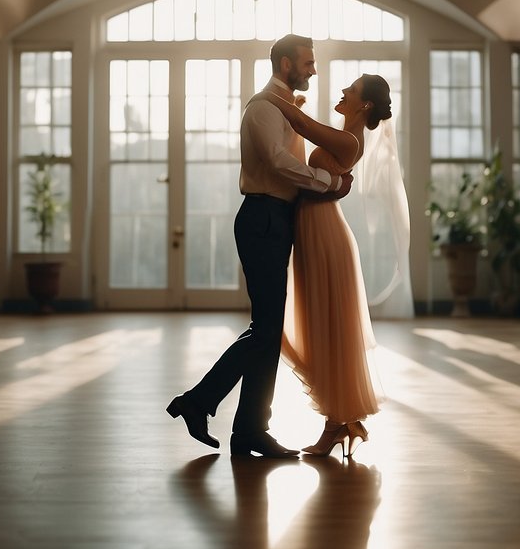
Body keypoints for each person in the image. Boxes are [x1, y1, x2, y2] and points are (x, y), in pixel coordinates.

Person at [167, 34, 353, 458]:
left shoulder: (285, 108)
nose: (313, 69)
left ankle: (248, 429)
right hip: (263, 217)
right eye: (307, 62)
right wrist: (330, 183)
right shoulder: (264, 107)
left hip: (276, 219)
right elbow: (277, 161)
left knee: (267, 332)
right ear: (285, 64)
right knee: (265, 330)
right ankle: (200, 403)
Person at [261, 74, 394, 458]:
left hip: (324, 237)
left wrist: (269, 99)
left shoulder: (350, 140)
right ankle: (343, 423)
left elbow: (303, 127)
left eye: (350, 91)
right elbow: (304, 146)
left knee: (326, 329)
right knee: (317, 326)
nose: (342, 92)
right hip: (312, 232)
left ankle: (336, 426)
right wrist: (291, 110)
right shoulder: (343, 136)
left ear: (364, 105)